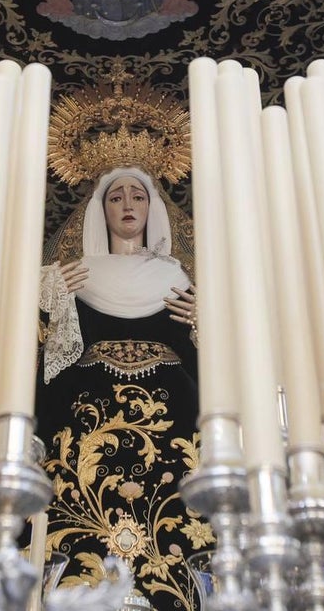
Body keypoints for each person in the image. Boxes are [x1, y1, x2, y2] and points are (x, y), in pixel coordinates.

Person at [36, 166, 211, 611]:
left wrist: (204, 322)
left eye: (138, 196)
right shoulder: (71, 277)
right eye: (116, 197)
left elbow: (210, 364)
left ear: (153, 208)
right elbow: (43, 355)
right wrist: (46, 297)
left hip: (174, 427)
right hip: (83, 426)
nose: (129, 204)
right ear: (101, 211)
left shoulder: (179, 279)